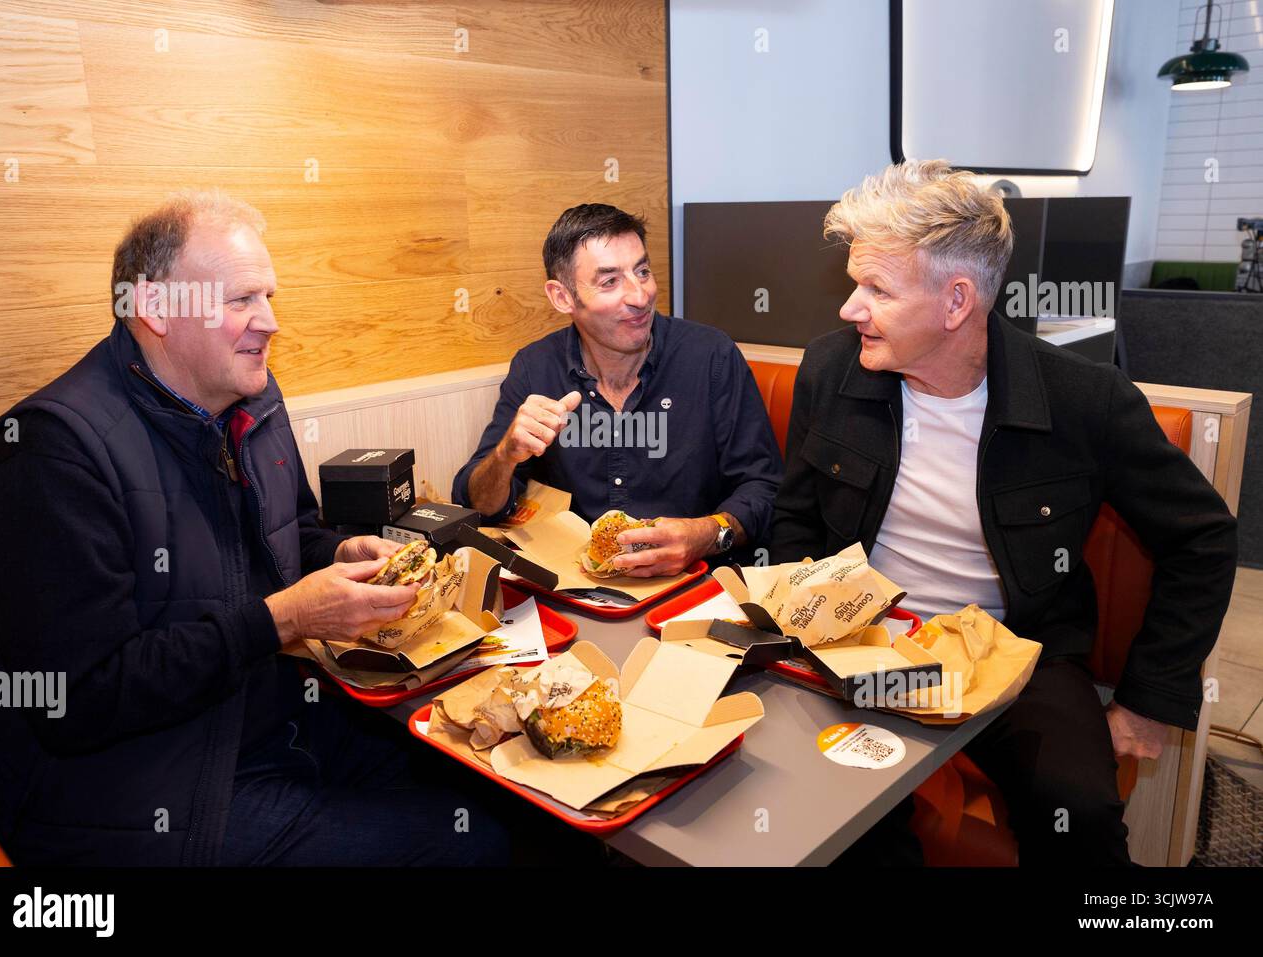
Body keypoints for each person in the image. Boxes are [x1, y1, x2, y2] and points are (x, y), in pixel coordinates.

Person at [0, 190, 508, 866]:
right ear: (154, 310)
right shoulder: (49, 454)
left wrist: (340, 551)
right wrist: (283, 618)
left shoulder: (252, 398)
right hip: (142, 794)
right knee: (471, 844)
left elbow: (293, 537)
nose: (271, 322)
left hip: (273, 720)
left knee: (495, 790)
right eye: (241, 300)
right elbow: (78, 701)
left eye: (270, 296)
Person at [772, 161, 1237, 865]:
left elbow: (1201, 538)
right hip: (858, 643)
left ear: (957, 300)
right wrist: (792, 627)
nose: (849, 307)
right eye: (853, 283)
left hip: (1016, 655)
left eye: (876, 288)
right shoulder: (831, 370)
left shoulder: (1085, 400)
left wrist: (1149, 697)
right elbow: (796, 519)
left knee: (1076, 819)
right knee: (835, 820)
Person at [453, 203, 783, 575]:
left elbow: (765, 489)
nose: (640, 296)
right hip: (573, 586)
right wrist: (506, 454)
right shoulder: (535, 367)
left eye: (642, 271)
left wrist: (705, 535)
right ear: (562, 297)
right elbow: (478, 504)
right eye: (610, 281)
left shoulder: (711, 357)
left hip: (694, 584)